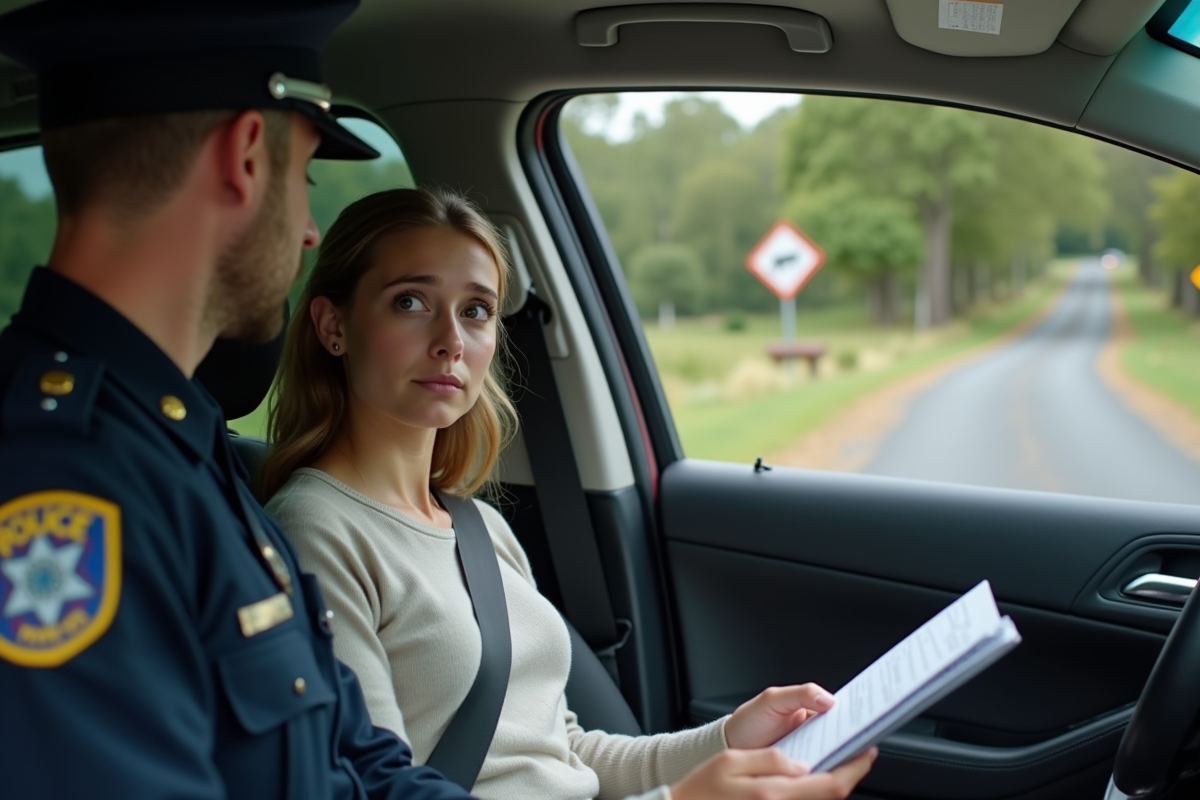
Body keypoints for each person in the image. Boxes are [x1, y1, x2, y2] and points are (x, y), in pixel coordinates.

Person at [0, 2, 484, 799]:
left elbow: (356, 762)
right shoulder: (66, 484)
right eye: (306, 181)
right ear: (247, 156)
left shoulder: (178, 443)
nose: (309, 231)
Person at [262, 186, 877, 800]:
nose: (451, 339)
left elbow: (565, 754)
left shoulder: (481, 527)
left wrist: (729, 740)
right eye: (411, 301)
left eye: (476, 310)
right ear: (333, 326)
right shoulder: (313, 533)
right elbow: (378, 790)